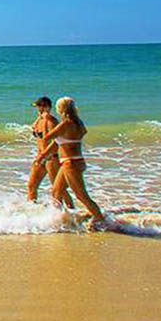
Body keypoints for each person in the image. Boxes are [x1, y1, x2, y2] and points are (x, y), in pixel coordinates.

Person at [36, 96, 104, 226]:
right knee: (56, 191)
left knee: (81, 195)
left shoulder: (65, 123)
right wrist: (43, 155)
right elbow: (78, 134)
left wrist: (45, 118)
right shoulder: (78, 122)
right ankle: (58, 220)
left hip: (70, 163)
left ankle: (100, 219)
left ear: (60, 108)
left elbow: (46, 138)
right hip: (74, 161)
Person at [27, 96, 74, 209]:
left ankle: (71, 211)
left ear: (46, 107)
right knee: (31, 186)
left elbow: (56, 142)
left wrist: (44, 155)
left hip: (51, 158)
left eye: (39, 107)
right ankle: (32, 211)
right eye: (37, 107)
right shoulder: (40, 120)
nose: (38, 110)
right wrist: (39, 118)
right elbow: (35, 130)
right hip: (41, 158)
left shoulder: (52, 122)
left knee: (58, 190)